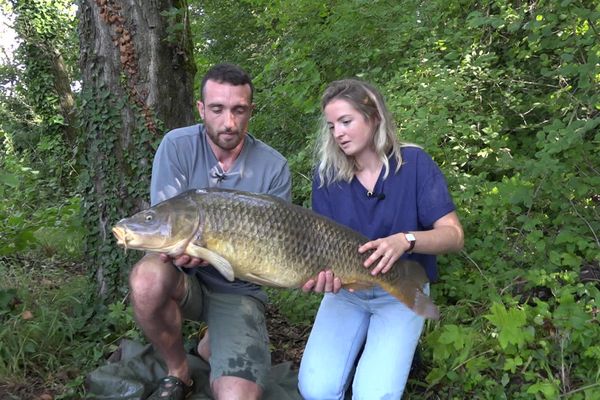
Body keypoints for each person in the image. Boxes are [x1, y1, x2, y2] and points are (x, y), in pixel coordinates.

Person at [129, 63, 293, 400]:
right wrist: (189, 251)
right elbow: (164, 226)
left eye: (239, 110)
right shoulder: (177, 146)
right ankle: (178, 371)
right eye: (217, 109)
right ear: (202, 108)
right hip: (182, 275)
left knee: (238, 396)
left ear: (251, 111)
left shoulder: (274, 167)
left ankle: (215, 338)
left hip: (239, 289)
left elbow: (276, 256)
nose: (228, 122)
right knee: (146, 279)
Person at [298, 79, 464, 399]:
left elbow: (454, 236)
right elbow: (321, 249)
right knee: (315, 390)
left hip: (400, 291)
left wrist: (406, 240)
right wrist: (321, 277)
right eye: (332, 126)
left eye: (346, 122)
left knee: (372, 395)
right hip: (347, 293)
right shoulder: (327, 176)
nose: (338, 133)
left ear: (373, 117)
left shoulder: (414, 164)